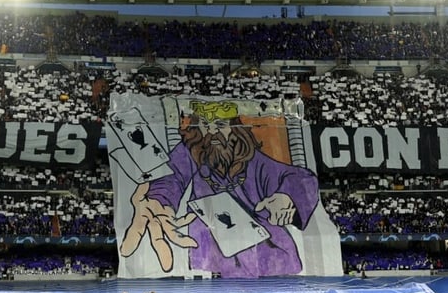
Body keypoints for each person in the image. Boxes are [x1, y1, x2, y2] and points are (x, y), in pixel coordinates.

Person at [118, 100, 324, 278]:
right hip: (210, 250)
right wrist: (159, 199)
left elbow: (299, 177)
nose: (212, 131)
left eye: (219, 124)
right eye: (206, 125)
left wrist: (286, 196)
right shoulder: (194, 151)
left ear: (234, 128)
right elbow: (171, 177)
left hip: (269, 252)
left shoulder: (254, 160)